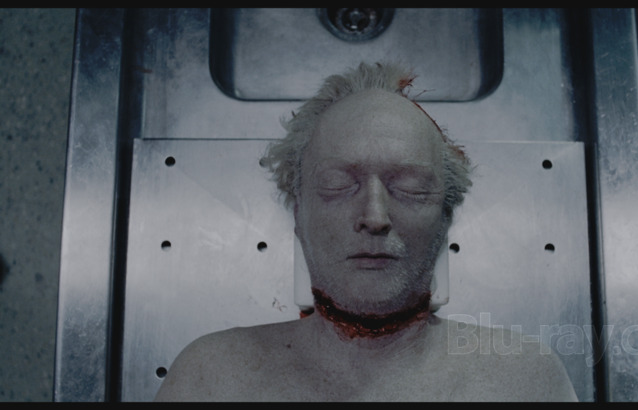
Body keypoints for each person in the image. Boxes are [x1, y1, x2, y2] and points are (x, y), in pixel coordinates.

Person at [154, 62, 578, 402]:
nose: (375, 216)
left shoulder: (524, 381)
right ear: (298, 213)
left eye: (410, 188)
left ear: (446, 217)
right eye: (338, 185)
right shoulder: (210, 379)